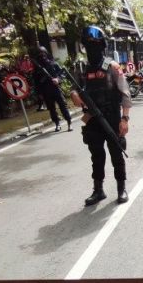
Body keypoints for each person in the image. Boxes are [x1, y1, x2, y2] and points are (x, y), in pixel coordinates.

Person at [70, 25, 131, 205]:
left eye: (96, 44)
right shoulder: (81, 68)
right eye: (89, 45)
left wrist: (125, 119)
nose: (92, 48)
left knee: (116, 154)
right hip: (92, 119)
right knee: (96, 156)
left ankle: (121, 188)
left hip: (112, 117)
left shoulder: (112, 66)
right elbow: (74, 88)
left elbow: (125, 93)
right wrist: (73, 94)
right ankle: (98, 190)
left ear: (102, 45)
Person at [31, 47, 72, 132]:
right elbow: (36, 83)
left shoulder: (54, 64)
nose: (42, 56)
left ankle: (69, 122)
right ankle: (57, 123)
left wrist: (58, 79)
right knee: (51, 109)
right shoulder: (37, 69)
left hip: (56, 89)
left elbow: (62, 73)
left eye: (43, 54)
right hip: (46, 91)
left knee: (63, 106)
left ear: (46, 53)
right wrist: (39, 94)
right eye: (39, 54)